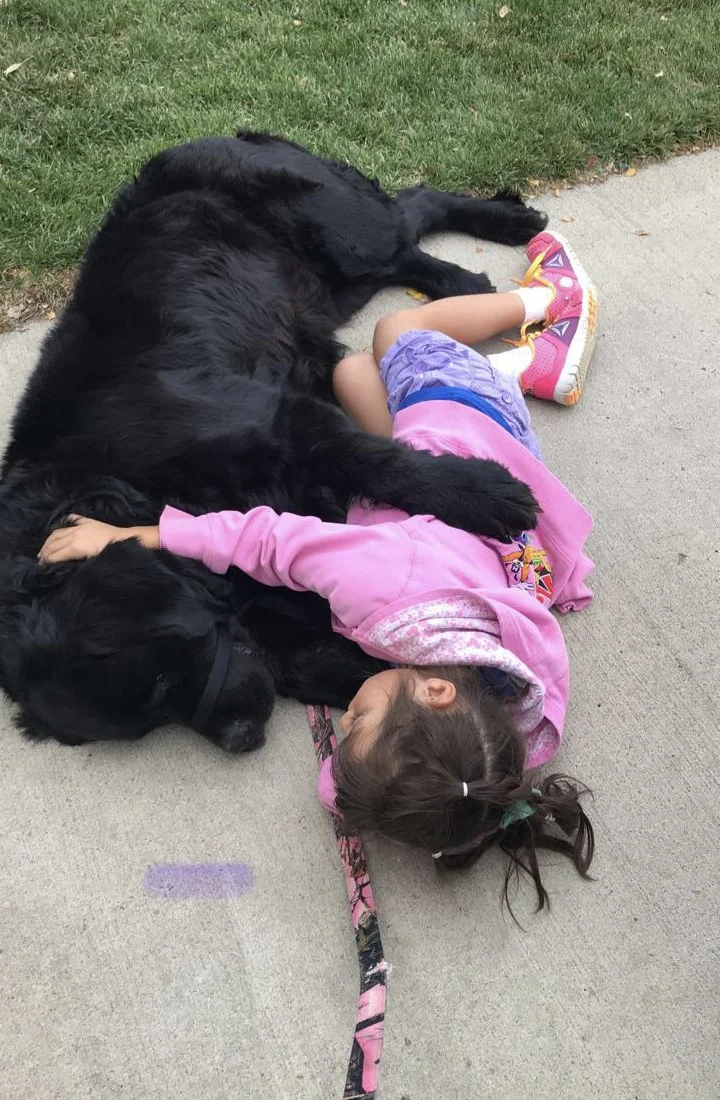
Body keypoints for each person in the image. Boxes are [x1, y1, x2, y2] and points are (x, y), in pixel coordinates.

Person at [39, 231, 597, 911]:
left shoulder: (504, 719)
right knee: (396, 331)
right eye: (357, 719)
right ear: (435, 695)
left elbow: (448, 778)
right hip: (465, 417)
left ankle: (516, 365)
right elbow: (269, 541)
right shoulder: (380, 588)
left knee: (352, 377)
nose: (344, 719)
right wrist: (140, 532)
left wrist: (359, 782)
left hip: (481, 480)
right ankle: (545, 303)